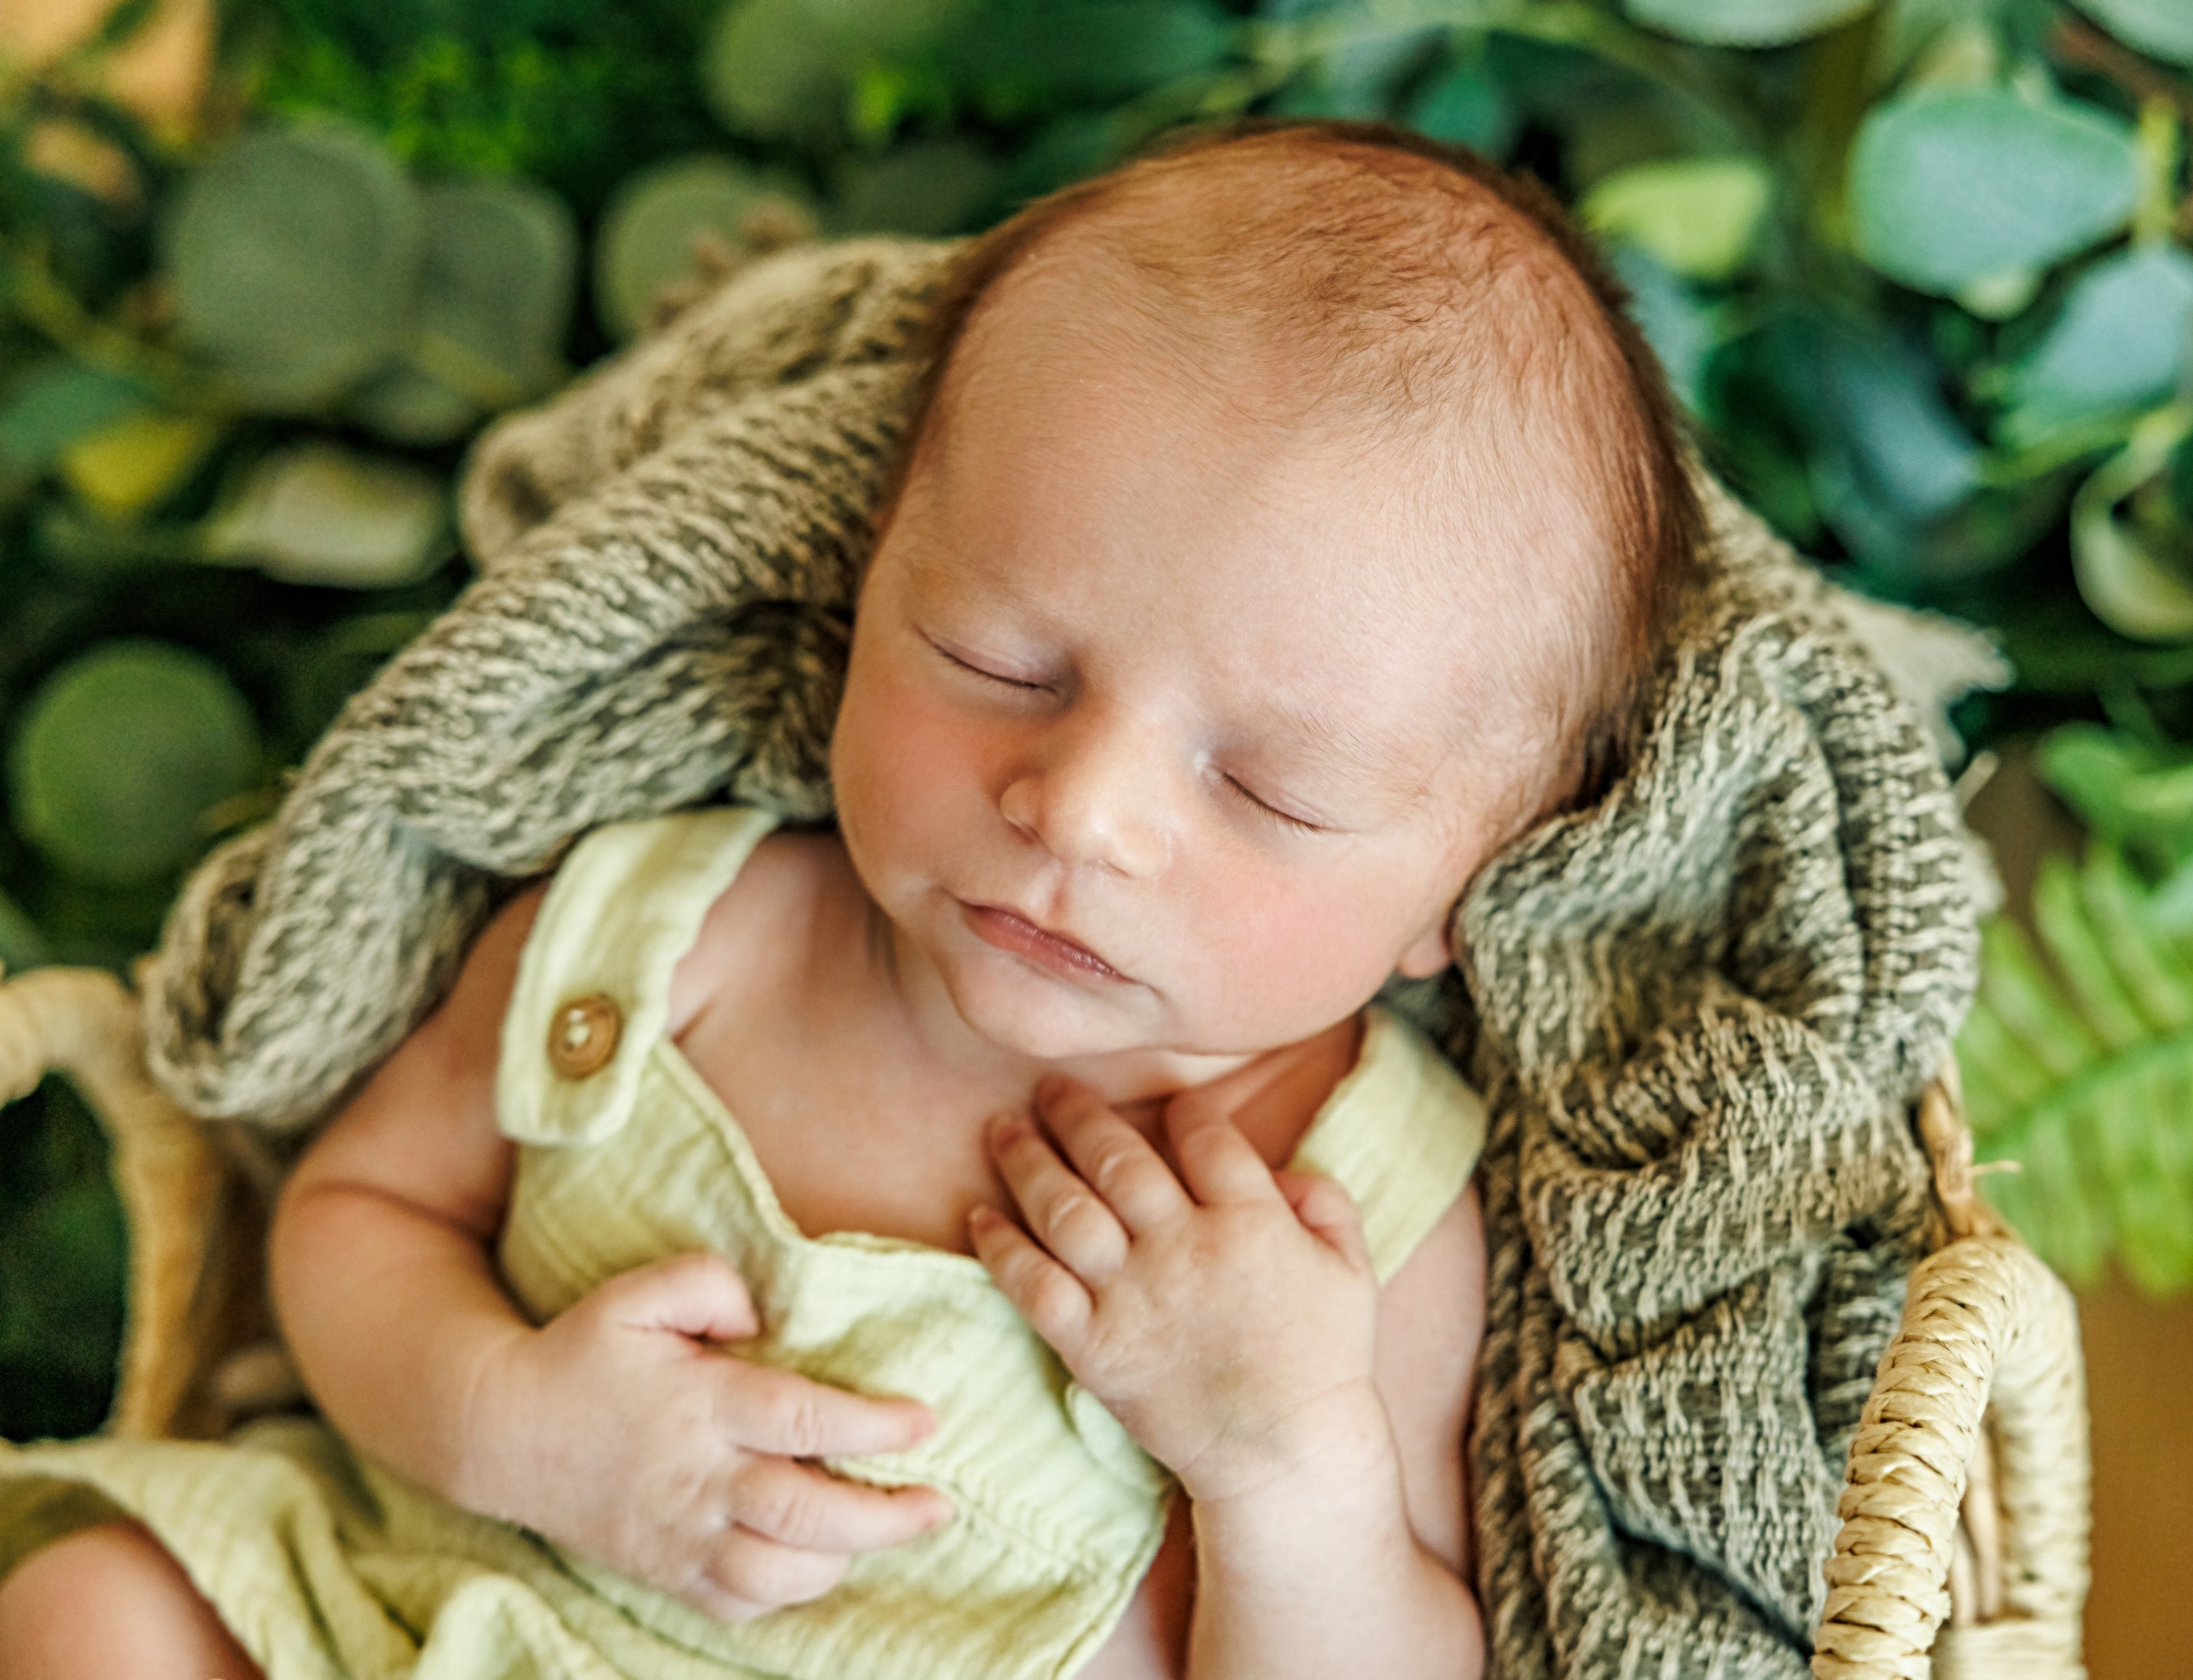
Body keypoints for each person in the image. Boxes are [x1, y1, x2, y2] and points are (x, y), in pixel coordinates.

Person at [0, 118, 1698, 1680]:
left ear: (1455, 898)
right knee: (91, 1613)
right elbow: (352, 1215)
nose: (1079, 810)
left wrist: (1286, 1470)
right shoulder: (675, 932)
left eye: (1270, 790)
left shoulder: (1349, 1221)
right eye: (996, 657)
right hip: (426, 1623)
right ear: (868, 574)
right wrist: (515, 1421)